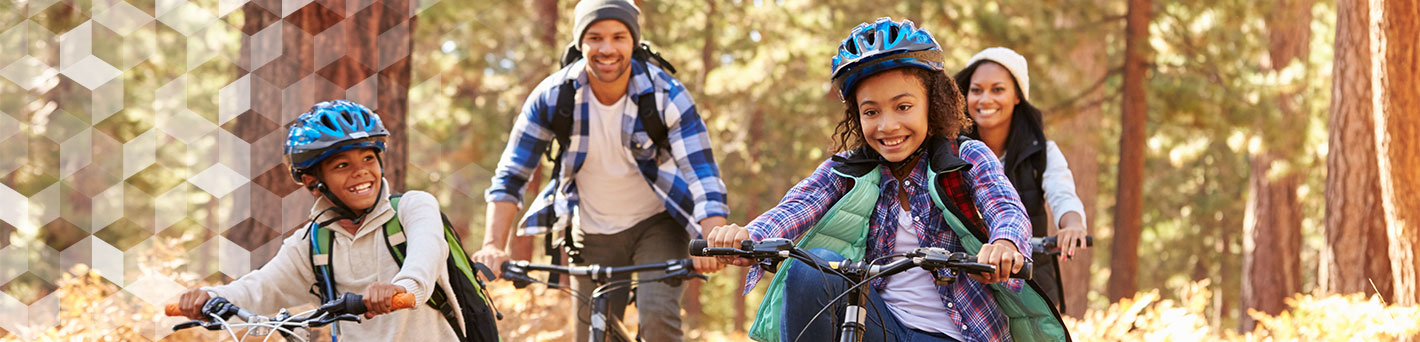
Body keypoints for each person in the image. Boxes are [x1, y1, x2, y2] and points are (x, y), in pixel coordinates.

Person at [707, 18, 1033, 342]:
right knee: (812, 267)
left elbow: (1004, 205)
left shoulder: (966, 157)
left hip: (958, 333)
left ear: (931, 105)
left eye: (903, 106)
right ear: (856, 115)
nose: (887, 126)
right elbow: (798, 205)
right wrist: (748, 237)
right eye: (871, 112)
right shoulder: (853, 168)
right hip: (877, 325)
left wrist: (1005, 244)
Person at [471, 1, 729, 341]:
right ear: (581, 43)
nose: (607, 49)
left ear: (633, 41)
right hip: (589, 231)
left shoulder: (667, 94)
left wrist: (712, 240)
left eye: (618, 37)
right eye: (595, 37)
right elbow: (511, 175)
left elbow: (702, 175)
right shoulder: (552, 97)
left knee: (657, 320)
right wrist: (493, 245)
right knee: (592, 332)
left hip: (657, 226)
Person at [173, 100, 465, 340]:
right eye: (342, 165)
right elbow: (262, 286)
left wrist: (402, 287)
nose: (362, 171)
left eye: (368, 158)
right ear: (313, 182)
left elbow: (426, 256)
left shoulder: (413, 207)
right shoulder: (312, 243)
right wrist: (209, 297)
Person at [954, 47, 1090, 313]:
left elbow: (1062, 194)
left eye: (998, 90)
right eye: (976, 90)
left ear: (1017, 96)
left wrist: (1072, 226)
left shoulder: (1042, 151)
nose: (985, 99)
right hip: (969, 283)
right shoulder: (951, 151)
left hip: (1031, 279)